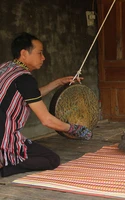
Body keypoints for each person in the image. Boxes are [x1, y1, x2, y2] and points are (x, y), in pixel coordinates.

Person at [0, 32, 92, 177]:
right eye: (40, 53)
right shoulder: (25, 79)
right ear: (24, 53)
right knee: (51, 159)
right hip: (4, 138)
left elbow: (30, 96)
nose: (43, 58)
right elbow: (47, 120)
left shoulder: (5, 68)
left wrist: (58, 82)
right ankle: (4, 166)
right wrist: (75, 129)